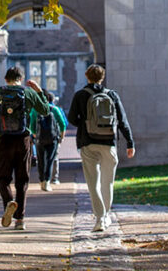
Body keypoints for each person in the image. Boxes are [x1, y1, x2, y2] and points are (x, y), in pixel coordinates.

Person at [67, 63, 135, 232]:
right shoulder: (112, 95)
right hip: (109, 142)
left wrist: (86, 122)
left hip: (87, 143)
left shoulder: (80, 95)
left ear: (86, 76)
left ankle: (99, 219)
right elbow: (122, 121)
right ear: (102, 77)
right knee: (108, 183)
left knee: (93, 183)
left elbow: (72, 119)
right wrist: (130, 142)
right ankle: (106, 216)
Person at [0, 65, 49, 231]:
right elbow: (45, 110)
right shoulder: (28, 92)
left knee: (2, 178)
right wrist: (39, 91)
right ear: (21, 78)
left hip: (4, 140)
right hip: (23, 140)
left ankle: (8, 203)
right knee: (22, 180)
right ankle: (20, 219)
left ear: (6, 79)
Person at [29, 89, 66, 190]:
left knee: (41, 161)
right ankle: (47, 181)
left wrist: (35, 135)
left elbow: (31, 126)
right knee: (50, 160)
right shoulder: (54, 109)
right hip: (52, 138)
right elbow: (62, 124)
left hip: (40, 139)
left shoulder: (34, 110)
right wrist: (61, 137)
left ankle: (41, 180)